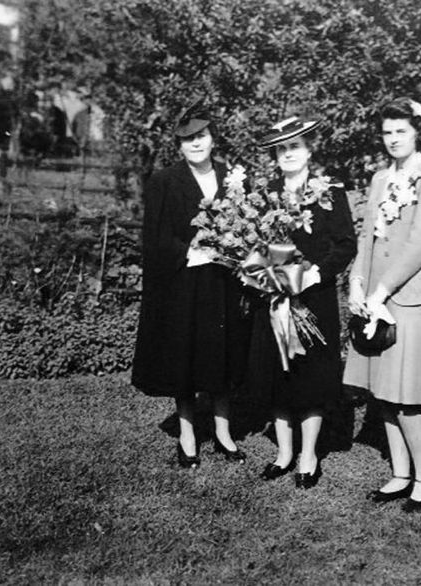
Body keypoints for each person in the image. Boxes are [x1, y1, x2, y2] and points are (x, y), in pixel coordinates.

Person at [343, 97, 421, 512]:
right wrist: (357, 282)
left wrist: (382, 290)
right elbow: (368, 238)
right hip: (375, 294)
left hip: (408, 297)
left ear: (418, 132)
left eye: (401, 131)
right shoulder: (378, 179)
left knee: (408, 397)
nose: (392, 139)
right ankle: (400, 475)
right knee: (383, 394)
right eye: (387, 132)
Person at [132, 99, 251, 468]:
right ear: (179, 146)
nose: (197, 144)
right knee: (184, 360)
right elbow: (154, 237)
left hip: (222, 285)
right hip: (183, 283)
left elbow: (246, 225)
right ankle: (187, 436)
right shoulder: (164, 181)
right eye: (188, 139)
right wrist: (191, 251)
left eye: (202, 136)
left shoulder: (232, 177)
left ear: (213, 139)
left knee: (221, 357)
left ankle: (223, 434)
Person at [252, 116, 356, 489]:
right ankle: (283, 453)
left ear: (309, 149)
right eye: (281, 149)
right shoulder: (263, 195)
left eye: (294, 147)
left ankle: (308, 455)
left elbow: (346, 245)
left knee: (312, 376)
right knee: (278, 373)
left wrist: (315, 275)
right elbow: (253, 243)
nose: (288, 154)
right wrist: (263, 274)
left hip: (315, 299)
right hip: (275, 298)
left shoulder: (330, 192)